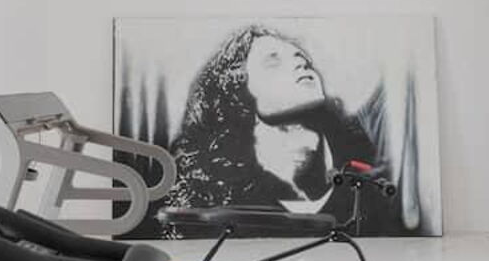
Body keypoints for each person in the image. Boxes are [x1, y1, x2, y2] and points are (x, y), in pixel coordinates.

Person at [167, 25, 410, 235]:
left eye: (302, 59)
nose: (300, 62)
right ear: (235, 92)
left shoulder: (371, 192)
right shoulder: (221, 211)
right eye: (273, 61)